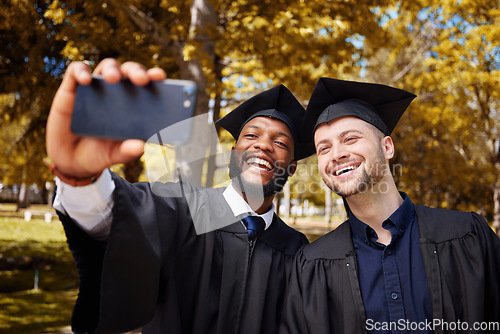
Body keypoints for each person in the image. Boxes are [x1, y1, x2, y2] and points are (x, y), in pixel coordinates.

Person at [46, 59, 314, 334]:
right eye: (252, 135)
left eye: (280, 143)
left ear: (291, 168)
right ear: (234, 153)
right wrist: (80, 177)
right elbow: (116, 215)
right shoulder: (182, 207)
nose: (263, 145)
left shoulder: (298, 250)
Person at [279, 77, 500, 334]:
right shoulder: (312, 264)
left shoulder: (467, 235)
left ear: (387, 147)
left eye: (350, 139)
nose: (336, 153)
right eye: (324, 148)